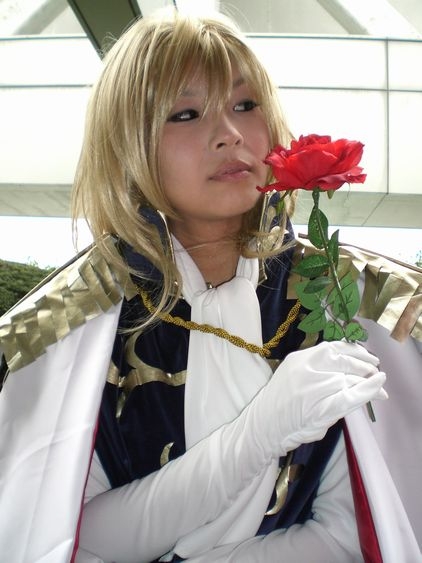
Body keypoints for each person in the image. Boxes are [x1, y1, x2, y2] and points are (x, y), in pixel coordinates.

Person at [0, 7, 421, 563]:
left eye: (245, 105)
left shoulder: (363, 299)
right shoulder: (60, 326)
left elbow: (359, 531)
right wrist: (258, 434)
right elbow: (72, 534)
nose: (229, 135)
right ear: (127, 144)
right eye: (186, 113)